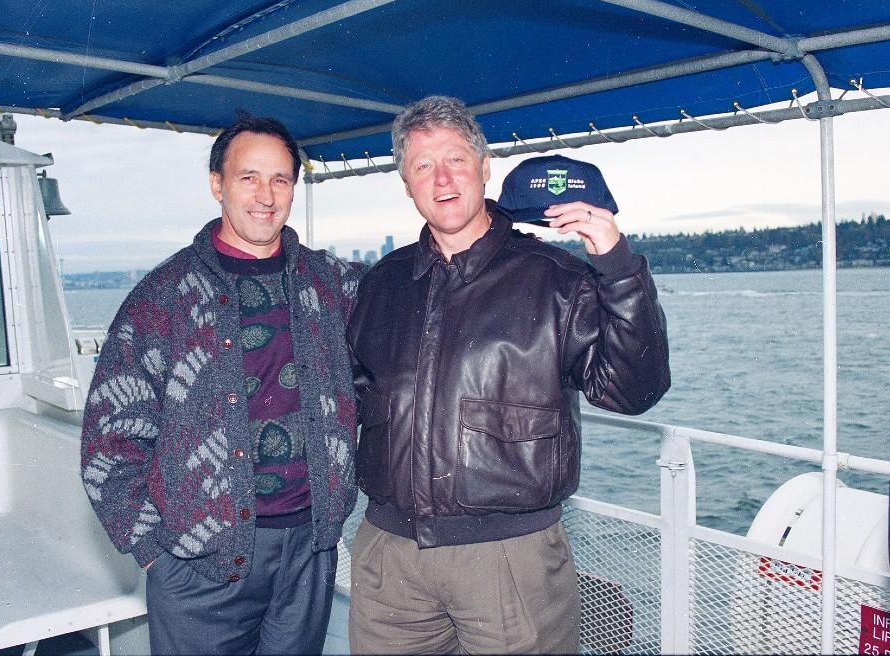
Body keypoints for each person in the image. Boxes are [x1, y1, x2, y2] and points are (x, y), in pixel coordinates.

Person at [347, 95, 671, 654]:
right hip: (389, 557)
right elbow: (347, 399)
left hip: (510, 557)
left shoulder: (559, 279)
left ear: (484, 166)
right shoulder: (383, 283)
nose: (442, 178)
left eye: (455, 159)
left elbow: (630, 392)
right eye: (423, 166)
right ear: (406, 183)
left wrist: (616, 265)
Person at [81, 112, 364, 655]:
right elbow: (107, 444)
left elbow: (418, 289)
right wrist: (154, 554)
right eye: (248, 177)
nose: (266, 195)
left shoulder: (330, 282)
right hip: (198, 567)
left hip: (311, 550)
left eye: (280, 179)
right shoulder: (162, 297)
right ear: (217, 184)